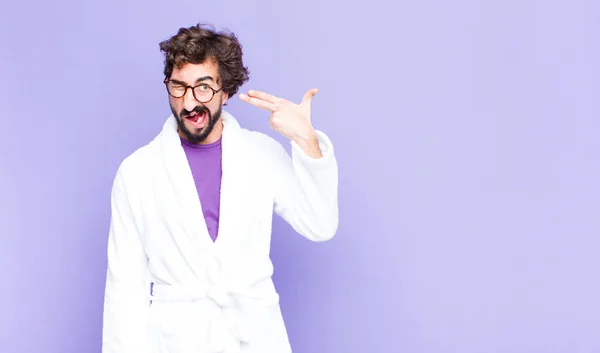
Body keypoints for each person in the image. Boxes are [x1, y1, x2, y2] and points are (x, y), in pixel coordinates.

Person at [101, 23, 339, 353]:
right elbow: (124, 289)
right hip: (175, 342)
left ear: (225, 91)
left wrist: (306, 140)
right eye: (179, 87)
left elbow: (320, 225)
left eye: (203, 88)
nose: (188, 103)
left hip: (255, 339)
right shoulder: (137, 172)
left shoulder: (261, 155)